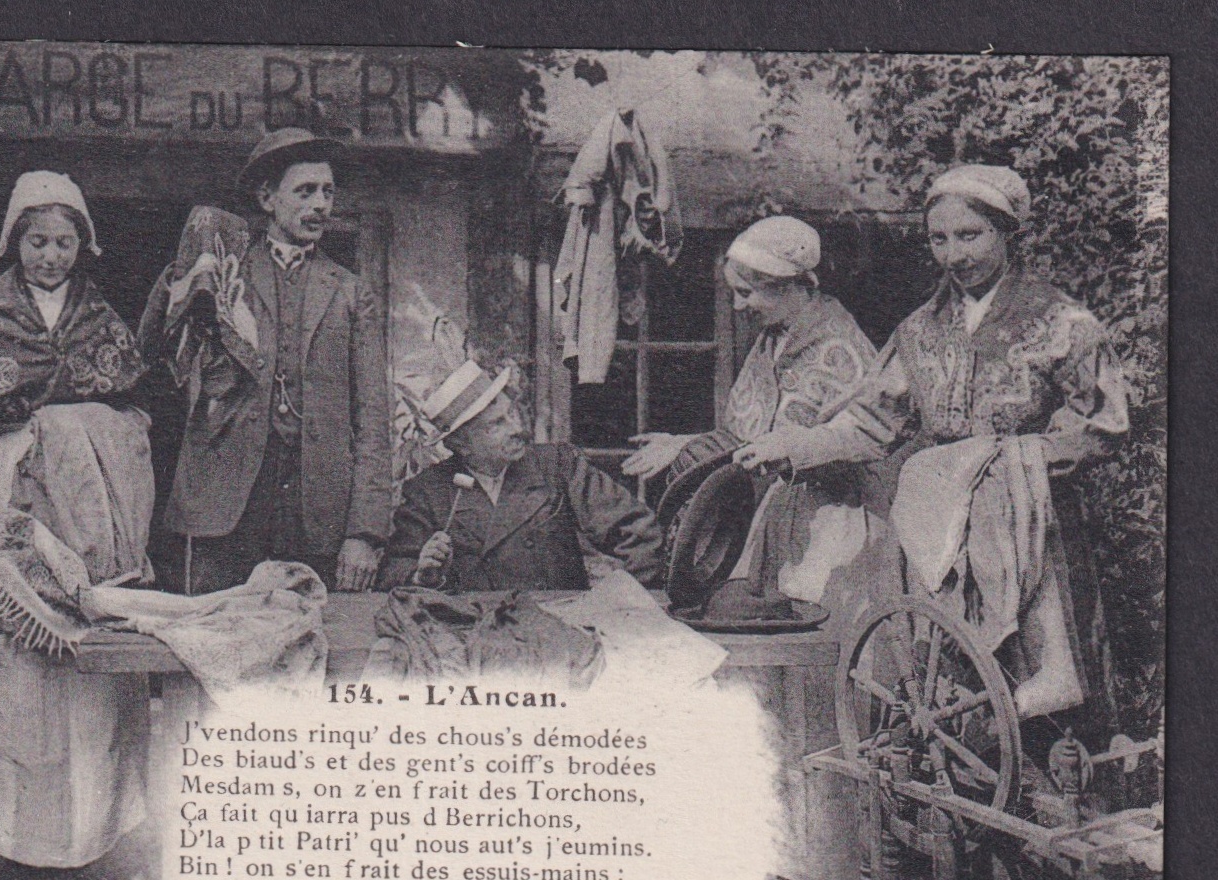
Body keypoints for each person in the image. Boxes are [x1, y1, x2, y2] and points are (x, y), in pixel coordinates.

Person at [733, 164, 1128, 734]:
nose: (954, 254)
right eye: (939, 239)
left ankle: (1062, 770)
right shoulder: (919, 330)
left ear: (1007, 232)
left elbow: (1105, 426)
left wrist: (1004, 461)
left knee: (1044, 691)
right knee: (949, 682)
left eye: (970, 235)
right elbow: (873, 422)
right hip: (938, 528)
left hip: (1033, 525)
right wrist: (797, 446)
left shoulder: (1063, 324)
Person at [0, 171, 152, 880]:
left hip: (90, 517)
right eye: (36, 241)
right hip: (10, 506)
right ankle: (13, 858)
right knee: (15, 683)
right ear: (13, 241)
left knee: (87, 684)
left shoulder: (102, 321)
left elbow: (135, 415)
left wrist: (95, 449)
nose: (50, 256)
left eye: (63, 242)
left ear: (82, 246)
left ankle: (84, 850)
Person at [149, 127, 394, 596]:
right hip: (225, 507)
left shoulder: (349, 291)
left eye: (328, 192)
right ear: (267, 198)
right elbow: (158, 356)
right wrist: (179, 279)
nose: (320, 205)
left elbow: (373, 421)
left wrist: (364, 533)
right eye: (305, 191)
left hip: (316, 509)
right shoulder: (224, 274)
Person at [623, 216, 879, 619]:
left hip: (830, 523)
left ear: (785, 285)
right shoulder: (773, 339)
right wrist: (685, 444)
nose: (738, 306)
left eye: (746, 293)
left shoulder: (840, 347)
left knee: (818, 627)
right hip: (775, 513)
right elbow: (754, 433)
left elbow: (858, 443)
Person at [380, 360, 663, 592]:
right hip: (473, 630)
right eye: (497, 424)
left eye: (512, 414)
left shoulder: (557, 465)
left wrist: (631, 603)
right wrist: (423, 576)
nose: (517, 429)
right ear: (461, 445)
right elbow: (393, 572)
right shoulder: (427, 492)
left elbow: (638, 530)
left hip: (556, 624)